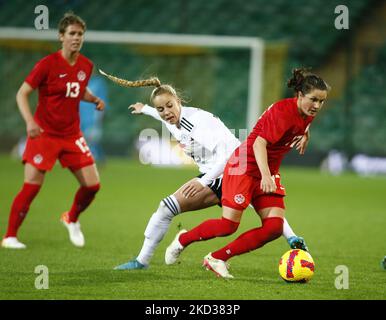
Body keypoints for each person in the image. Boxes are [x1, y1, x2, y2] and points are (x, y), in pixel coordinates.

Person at [108, 78, 307, 270]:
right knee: (235, 215)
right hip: (228, 169)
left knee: (174, 210)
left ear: (179, 101)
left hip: (231, 169)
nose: (166, 112)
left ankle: (146, 259)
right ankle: (143, 261)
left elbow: (229, 155)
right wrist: (146, 110)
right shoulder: (174, 119)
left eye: (169, 106)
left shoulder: (195, 123)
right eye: (161, 109)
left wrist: (204, 182)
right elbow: (166, 119)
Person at [165, 68, 330, 278]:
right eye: (313, 99)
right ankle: (183, 239)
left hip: (265, 170)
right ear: (299, 95)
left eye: (321, 101)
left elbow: (299, 124)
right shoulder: (284, 112)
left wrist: (305, 133)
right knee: (228, 226)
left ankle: (217, 258)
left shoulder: (305, 112)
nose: (317, 106)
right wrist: (267, 176)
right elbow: (259, 143)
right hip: (244, 166)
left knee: (273, 228)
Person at [1, 12, 105, 249]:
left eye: (80, 34)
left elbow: (76, 90)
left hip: (71, 135)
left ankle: (71, 218)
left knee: (92, 185)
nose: (76, 38)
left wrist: (94, 99)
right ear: (61, 36)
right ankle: (9, 237)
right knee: (32, 185)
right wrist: (30, 122)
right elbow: (22, 93)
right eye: (72, 34)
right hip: (44, 134)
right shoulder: (47, 64)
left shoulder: (85, 66)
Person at [79, 74, 108, 163]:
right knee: (82, 140)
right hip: (79, 117)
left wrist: (99, 117)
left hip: (92, 118)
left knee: (92, 139)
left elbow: (102, 101)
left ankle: (96, 159)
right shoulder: (79, 82)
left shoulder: (98, 83)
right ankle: (99, 158)